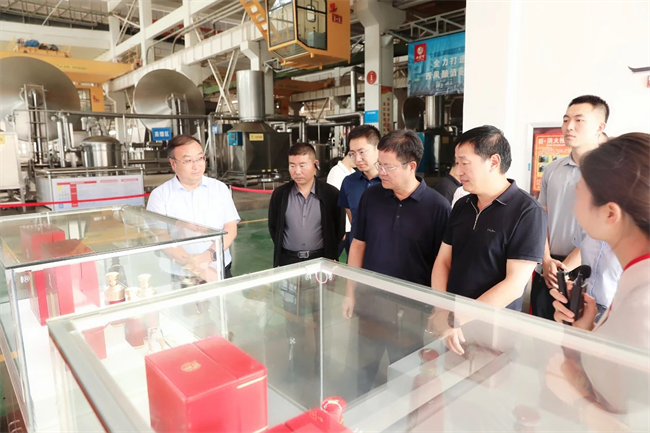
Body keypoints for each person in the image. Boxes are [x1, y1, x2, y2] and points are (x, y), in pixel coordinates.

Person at [546, 133, 650, 428]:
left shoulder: (644, 304)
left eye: (579, 192)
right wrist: (586, 331)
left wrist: (577, 397)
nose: (573, 203)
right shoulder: (636, 278)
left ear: (609, 213)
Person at [342, 129, 450, 395]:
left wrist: (439, 308)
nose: (381, 173)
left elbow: (443, 263)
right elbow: (358, 245)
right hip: (370, 302)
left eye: (388, 167)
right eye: (379, 165)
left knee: (405, 371)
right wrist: (350, 292)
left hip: (411, 310)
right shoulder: (372, 197)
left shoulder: (437, 207)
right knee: (361, 369)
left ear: (411, 166)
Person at [430, 125, 547, 355]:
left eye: (465, 163)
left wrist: (456, 318)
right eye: (457, 162)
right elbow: (443, 261)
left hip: (494, 332)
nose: (458, 171)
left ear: (493, 162)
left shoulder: (527, 212)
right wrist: (442, 310)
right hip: (452, 327)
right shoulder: (462, 205)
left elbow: (514, 285)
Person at [531, 95, 609, 320]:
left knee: (576, 334)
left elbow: (602, 230)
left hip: (586, 269)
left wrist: (564, 268)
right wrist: (546, 259)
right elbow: (542, 216)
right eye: (566, 120)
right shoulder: (552, 169)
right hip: (547, 267)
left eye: (578, 120)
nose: (569, 126)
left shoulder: (609, 173)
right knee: (540, 331)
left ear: (599, 127)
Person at [147, 134, 240, 280]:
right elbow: (161, 235)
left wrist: (208, 257)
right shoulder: (160, 195)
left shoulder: (219, 189)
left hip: (218, 268)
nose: (196, 166)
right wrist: (195, 266)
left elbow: (230, 228)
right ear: (173, 163)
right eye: (188, 161)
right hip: (178, 274)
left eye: (200, 158)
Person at [268, 142, 345, 267]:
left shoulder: (331, 194)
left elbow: (339, 229)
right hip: (287, 260)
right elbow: (274, 227)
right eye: (292, 166)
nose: (297, 171)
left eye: (302, 165)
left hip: (321, 260)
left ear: (315, 165)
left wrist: (331, 253)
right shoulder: (280, 195)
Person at [338, 125, 382, 246]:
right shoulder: (348, 183)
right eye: (352, 153)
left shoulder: (391, 182)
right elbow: (353, 221)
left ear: (378, 148)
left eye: (362, 152)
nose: (357, 159)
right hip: (357, 250)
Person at [326, 148, 356, 258]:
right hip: (343, 227)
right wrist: (339, 228)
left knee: (354, 259)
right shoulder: (336, 172)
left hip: (352, 227)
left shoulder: (353, 173)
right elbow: (333, 203)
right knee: (332, 258)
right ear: (350, 154)